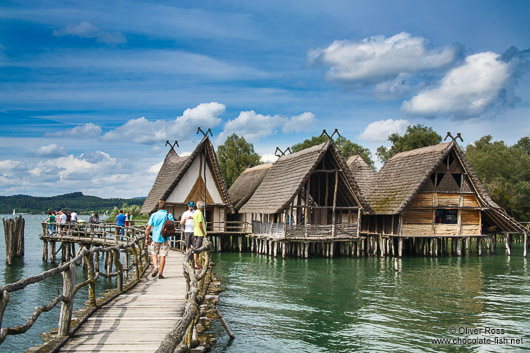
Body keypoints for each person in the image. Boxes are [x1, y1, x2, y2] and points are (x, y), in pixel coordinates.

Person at [145, 200, 174, 279]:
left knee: (154, 253)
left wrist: (147, 238)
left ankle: (155, 267)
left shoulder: (154, 215)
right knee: (163, 255)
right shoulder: (168, 214)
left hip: (155, 238)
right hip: (165, 238)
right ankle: (161, 273)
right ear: (165, 206)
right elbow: (172, 224)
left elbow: (148, 228)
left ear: (158, 206)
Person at [192, 201, 207, 270]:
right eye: (203, 206)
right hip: (199, 233)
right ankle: (195, 264)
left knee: (196, 248)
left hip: (195, 232)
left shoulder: (195, 213)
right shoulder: (200, 213)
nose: (203, 207)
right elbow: (200, 224)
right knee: (197, 249)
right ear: (201, 207)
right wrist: (204, 234)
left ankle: (195, 263)